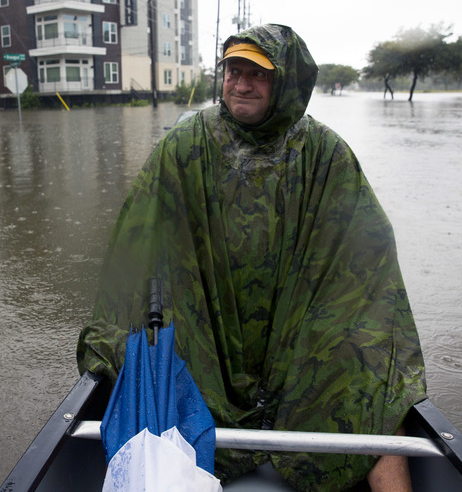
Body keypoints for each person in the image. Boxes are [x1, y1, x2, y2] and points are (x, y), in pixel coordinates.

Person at [77, 24, 426, 491]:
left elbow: (365, 258)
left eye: (256, 75)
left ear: (284, 83)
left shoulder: (326, 155)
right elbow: (135, 242)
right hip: (208, 334)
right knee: (151, 373)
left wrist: (351, 338)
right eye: (232, 71)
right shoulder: (184, 147)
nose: (240, 84)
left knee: (373, 383)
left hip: (299, 332)